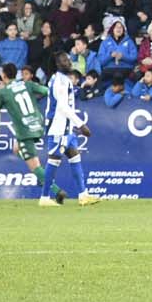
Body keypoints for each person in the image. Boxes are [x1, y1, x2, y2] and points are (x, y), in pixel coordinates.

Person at [0, 62, 58, 207]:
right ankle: (42, 175)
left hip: (25, 130)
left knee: (34, 166)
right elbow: (47, 91)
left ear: (3, 76)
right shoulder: (27, 84)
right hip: (37, 124)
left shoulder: (3, 92)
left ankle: (55, 189)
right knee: (16, 150)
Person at [44, 53, 100, 207]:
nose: (67, 62)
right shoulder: (60, 81)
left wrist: (73, 125)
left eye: (67, 59)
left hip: (66, 127)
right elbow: (62, 107)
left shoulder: (63, 79)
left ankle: (83, 195)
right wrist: (81, 124)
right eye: (63, 60)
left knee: (74, 155)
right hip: (58, 126)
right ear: (57, 64)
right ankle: (44, 197)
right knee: (53, 160)